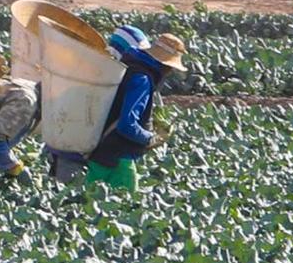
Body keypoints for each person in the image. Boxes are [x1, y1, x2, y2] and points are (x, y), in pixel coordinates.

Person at [44, 25, 151, 184]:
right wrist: (147, 136)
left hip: (64, 150)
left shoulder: (90, 68)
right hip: (76, 154)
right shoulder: (105, 77)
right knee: (74, 201)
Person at [86, 33, 187, 192]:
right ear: (166, 66)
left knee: (87, 200)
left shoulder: (128, 67)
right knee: (128, 206)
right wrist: (151, 138)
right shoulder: (141, 79)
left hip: (99, 152)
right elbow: (127, 125)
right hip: (118, 160)